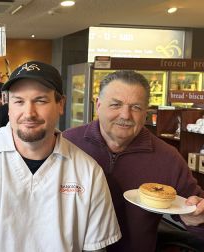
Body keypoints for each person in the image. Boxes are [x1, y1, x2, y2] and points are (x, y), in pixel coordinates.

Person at [0, 61, 121, 251]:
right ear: (8, 106)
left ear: (61, 104)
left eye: (40, 100)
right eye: (19, 101)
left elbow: (95, 247)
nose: (29, 113)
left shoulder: (88, 171)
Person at [62, 70, 204, 252]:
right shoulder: (67, 143)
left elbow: (194, 210)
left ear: (146, 112)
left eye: (136, 107)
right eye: (116, 104)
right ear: (98, 105)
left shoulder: (168, 157)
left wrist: (197, 218)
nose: (125, 115)